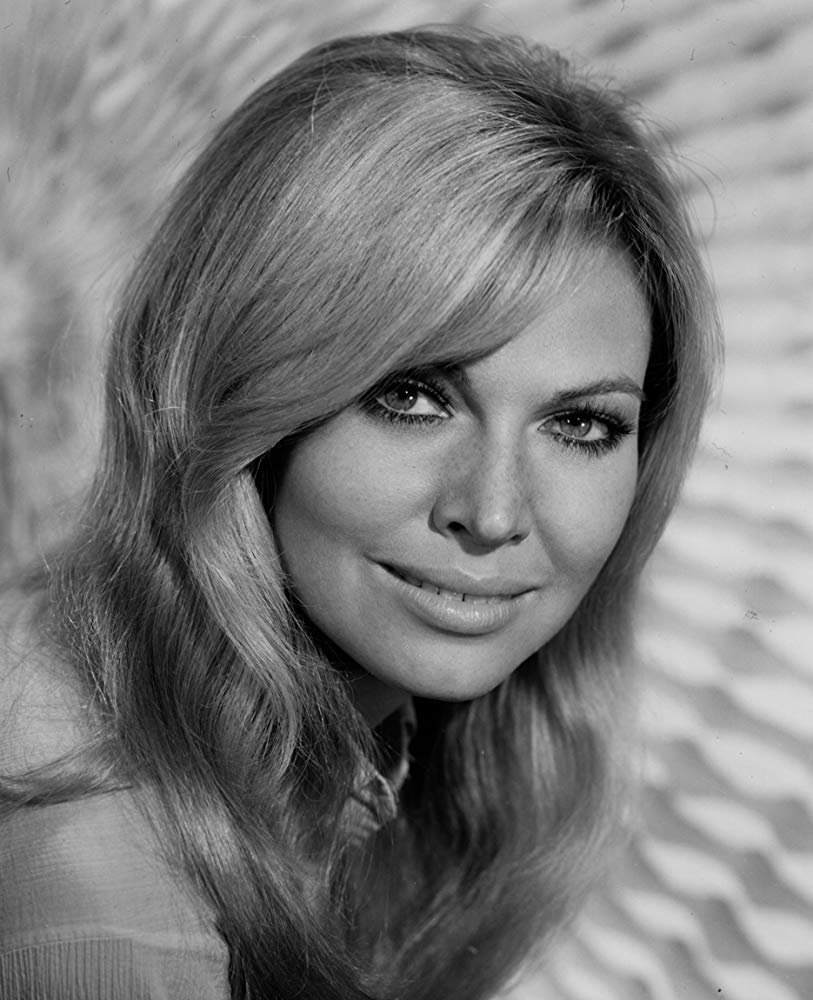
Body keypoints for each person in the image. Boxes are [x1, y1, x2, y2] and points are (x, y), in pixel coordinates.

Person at [0, 23, 720, 1000]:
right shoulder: (103, 896)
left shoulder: (331, 768)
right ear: (239, 394)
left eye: (581, 424)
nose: (492, 512)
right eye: (411, 397)